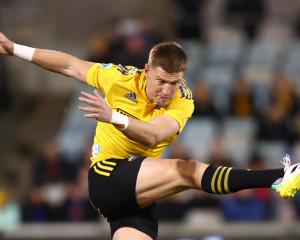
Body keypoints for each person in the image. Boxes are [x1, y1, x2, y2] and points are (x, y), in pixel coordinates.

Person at [0, 32, 300, 240]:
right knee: (188, 170)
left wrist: (114, 117)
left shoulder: (184, 100)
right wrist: (14, 49)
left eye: (175, 82)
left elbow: (155, 137)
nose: (167, 90)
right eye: (161, 81)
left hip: (137, 198)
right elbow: (69, 65)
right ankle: (282, 177)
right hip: (107, 177)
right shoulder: (119, 78)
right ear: (146, 71)